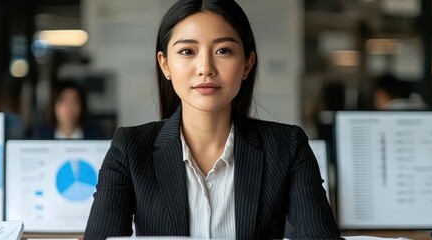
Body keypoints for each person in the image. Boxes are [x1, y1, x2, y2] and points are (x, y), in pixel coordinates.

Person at [84, 0, 339, 239]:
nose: (205, 67)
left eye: (223, 50)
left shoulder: (287, 146)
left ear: (247, 63)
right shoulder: (130, 148)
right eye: (187, 51)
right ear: (165, 65)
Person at [31, 81, 104, 139]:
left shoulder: (95, 134)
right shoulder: (41, 135)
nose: (69, 108)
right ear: (54, 106)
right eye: (63, 101)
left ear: (82, 106)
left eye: (75, 101)